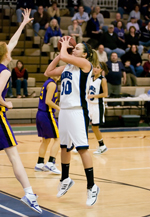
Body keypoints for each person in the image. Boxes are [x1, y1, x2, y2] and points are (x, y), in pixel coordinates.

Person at [44, 37, 100, 206]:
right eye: (73, 48)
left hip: (78, 111)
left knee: (82, 149)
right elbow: (48, 72)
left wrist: (64, 48)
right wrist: (59, 54)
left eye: (77, 48)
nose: (73, 50)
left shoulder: (86, 65)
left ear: (85, 54)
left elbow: (65, 56)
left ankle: (92, 186)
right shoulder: (68, 66)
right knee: (64, 147)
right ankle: (65, 179)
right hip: (65, 111)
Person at [0, 9, 42, 214]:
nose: (12, 49)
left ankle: (30, 193)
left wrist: (23, 24)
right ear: (6, 54)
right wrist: (6, 104)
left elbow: (12, 42)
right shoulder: (5, 71)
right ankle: (29, 194)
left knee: (13, 156)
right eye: (9, 49)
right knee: (14, 156)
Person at [35, 76, 61, 174]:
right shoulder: (52, 84)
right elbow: (48, 101)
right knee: (59, 138)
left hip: (41, 113)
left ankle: (39, 163)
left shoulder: (47, 82)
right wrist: (59, 108)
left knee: (46, 140)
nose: (58, 75)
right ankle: (51, 163)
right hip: (47, 114)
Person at [88, 62, 108, 154]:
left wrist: (94, 96)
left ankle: (102, 146)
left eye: (97, 67)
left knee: (95, 127)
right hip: (89, 105)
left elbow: (105, 94)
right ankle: (81, 145)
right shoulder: (90, 78)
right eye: (94, 67)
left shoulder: (102, 80)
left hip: (97, 106)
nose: (95, 69)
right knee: (84, 124)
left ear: (101, 70)